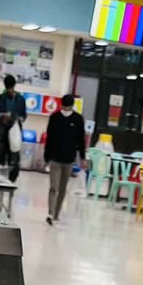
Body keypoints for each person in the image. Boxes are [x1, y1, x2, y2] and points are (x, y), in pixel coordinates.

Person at [44, 93, 86, 225]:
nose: (65, 109)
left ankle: (56, 213)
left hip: (69, 159)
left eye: (67, 107)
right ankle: (50, 213)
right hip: (55, 158)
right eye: (64, 107)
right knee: (54, 187)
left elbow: (81, 140)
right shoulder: (55, 117)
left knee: (63, 188)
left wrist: (83, 157)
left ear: (72, 106)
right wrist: (46, 157)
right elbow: (49, 138)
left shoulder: (78, 119)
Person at [0, 74, 27, 183]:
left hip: (14, 132)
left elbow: (23, 116)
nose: (10, 90)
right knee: (0, 157)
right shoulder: (0, 98)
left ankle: (12, 179)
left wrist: (15, 118)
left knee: (14, 156)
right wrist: (2, 116)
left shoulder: (20, 99)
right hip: (2, 132)